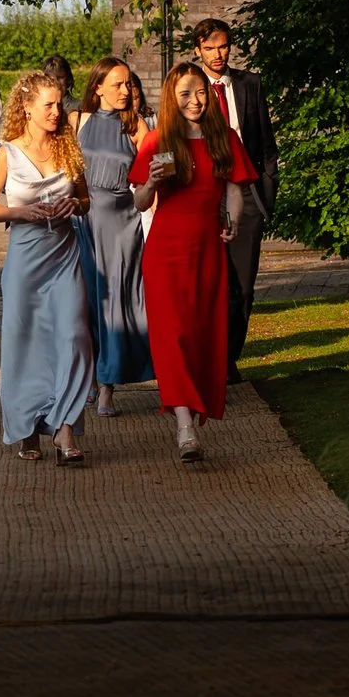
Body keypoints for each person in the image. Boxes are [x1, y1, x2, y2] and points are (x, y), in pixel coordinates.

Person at [131, 61, 257, 461]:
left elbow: (236, 187)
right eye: (185, 93)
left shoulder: (224, 137)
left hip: (207, 250)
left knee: (201, 333)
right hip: (165, 252)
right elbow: (139, 201)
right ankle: (184, 425)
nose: (194, 100)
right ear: (172, 97)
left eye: (200, 92)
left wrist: (233, 220)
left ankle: (191, 410)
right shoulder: (159, 140)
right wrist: (150, 180)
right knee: (172, 335)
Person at [0, 73, 96, 465]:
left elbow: (85, 199)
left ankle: (65, 429)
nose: (56, 111)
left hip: (64, 255)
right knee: (26, 345)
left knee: (75, 336)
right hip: (25, 261)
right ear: (26, 107)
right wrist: (19, 211)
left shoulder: (68, 149)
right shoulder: (5, 153)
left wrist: (74, 207)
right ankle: (27, 427)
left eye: (59, 103)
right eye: (47, 104)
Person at [191, 18, 278, 378]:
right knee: (207, 284)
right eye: (209, 48)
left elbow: (267, 144)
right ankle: (207, 356)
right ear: (197, 50)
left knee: (242, 285)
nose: (217, 54)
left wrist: (266, 190)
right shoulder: (188, 88)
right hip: (203, 194)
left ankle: (228, 360)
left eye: (223, 46)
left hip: (247, 192)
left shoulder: (249, 85)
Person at [75, 58, 152, 414]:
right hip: (83, 222)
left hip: (122, 224)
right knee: (86, 302)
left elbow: (160, 164)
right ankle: (90, 378)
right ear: (98, 87)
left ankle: (108, 383)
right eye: (118, 85)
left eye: (128, 85)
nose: (126, 91)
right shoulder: (78, 120)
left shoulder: (134, 124)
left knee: (117, 303)